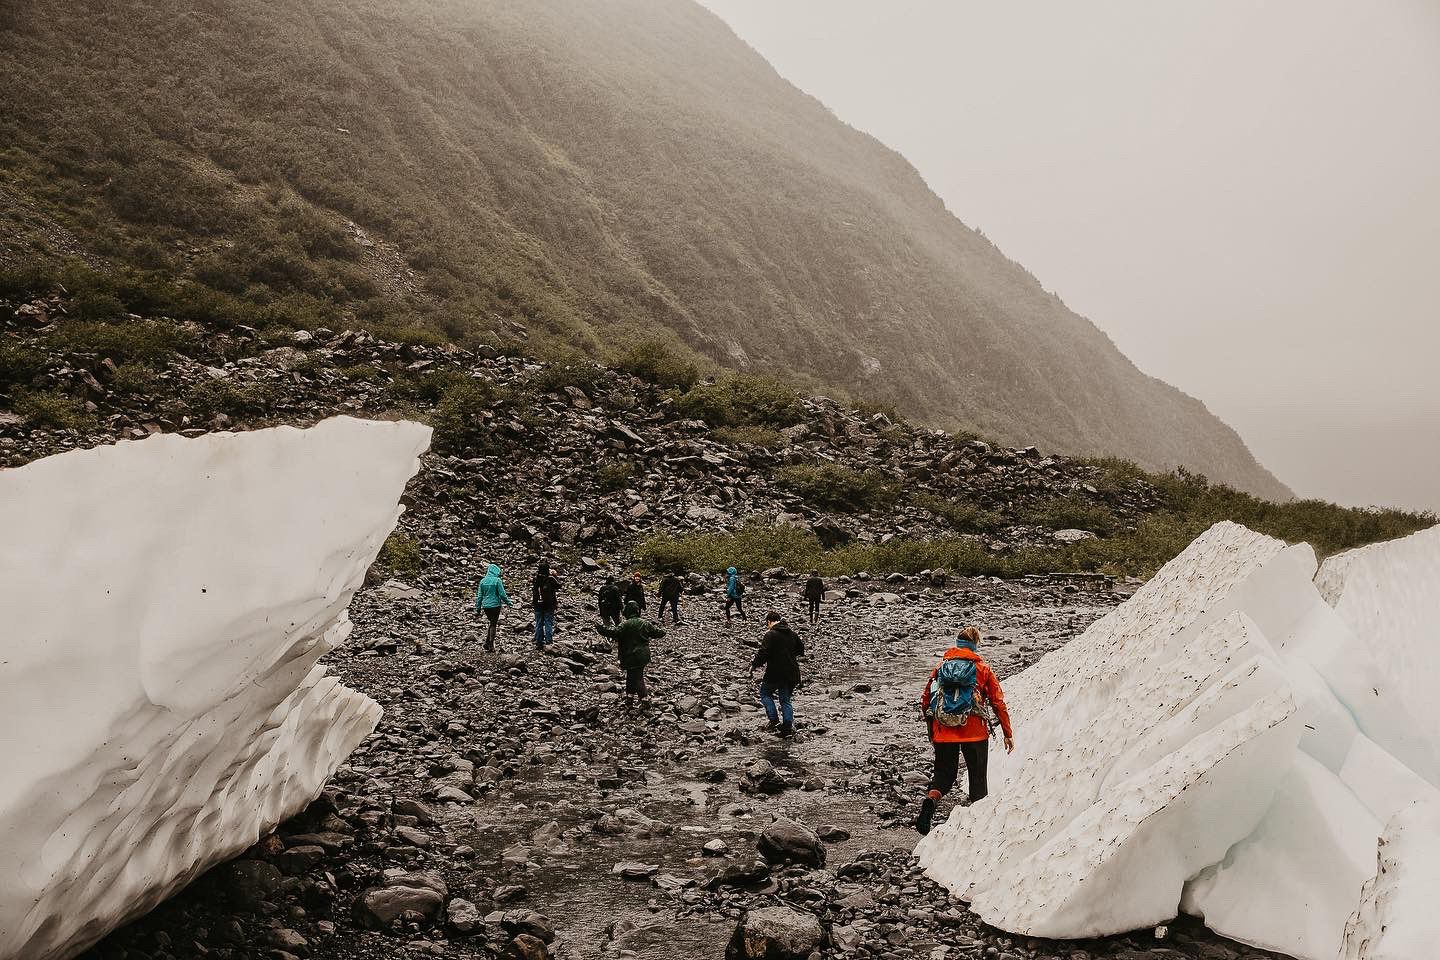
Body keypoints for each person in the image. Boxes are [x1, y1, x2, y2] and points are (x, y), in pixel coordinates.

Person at [915, 626, 1014, 836]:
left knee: (943, 775)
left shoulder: (942, 667)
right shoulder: (983, 669)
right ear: (975, 646)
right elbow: (998, 702)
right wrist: (1007, 733)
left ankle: (930, 801)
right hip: (975, 732)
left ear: (957, 645)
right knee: (977, 779)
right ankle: (979, 832)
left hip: (944, 729)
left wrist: (931, 729)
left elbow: (926, 700)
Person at [596, 600, 666, 710]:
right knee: (633, 676)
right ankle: (630, 699)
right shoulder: (645, 623)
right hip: (642, 655)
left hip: (629, 655)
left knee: (636, 677)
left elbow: (613, 632)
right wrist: (663, 629)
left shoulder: (625, 624)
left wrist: (601, 629)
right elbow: (658, 633)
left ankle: (644, 700)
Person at [750, 610, 804, 738]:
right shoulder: (792, 634)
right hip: (791, 672)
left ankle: (774, 720)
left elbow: (763, 653)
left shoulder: (770, 634)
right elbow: (801, 650)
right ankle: (787, 728)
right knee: (785, 700)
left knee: (765, 693)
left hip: (775, 672)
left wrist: (754, 665)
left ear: (769, 621)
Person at [474, 563, 513, 651]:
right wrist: (509, 603)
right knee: (493, 624)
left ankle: (487, 643)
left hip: (486, 606)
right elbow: (502, 594)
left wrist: (478, 609)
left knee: (491, 623)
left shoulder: (483, 581)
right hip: (495, 605)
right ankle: (491, 644)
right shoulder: (497, 580)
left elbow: (479, 596)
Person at [531, 561, 561, 649]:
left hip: (538, 604)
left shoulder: (536, 579)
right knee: (548, 622)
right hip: (549, 605)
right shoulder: (550, 579)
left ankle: (539, 641)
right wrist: (554, 575)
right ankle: (549, 641)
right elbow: (559, 585)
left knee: (539, 623)